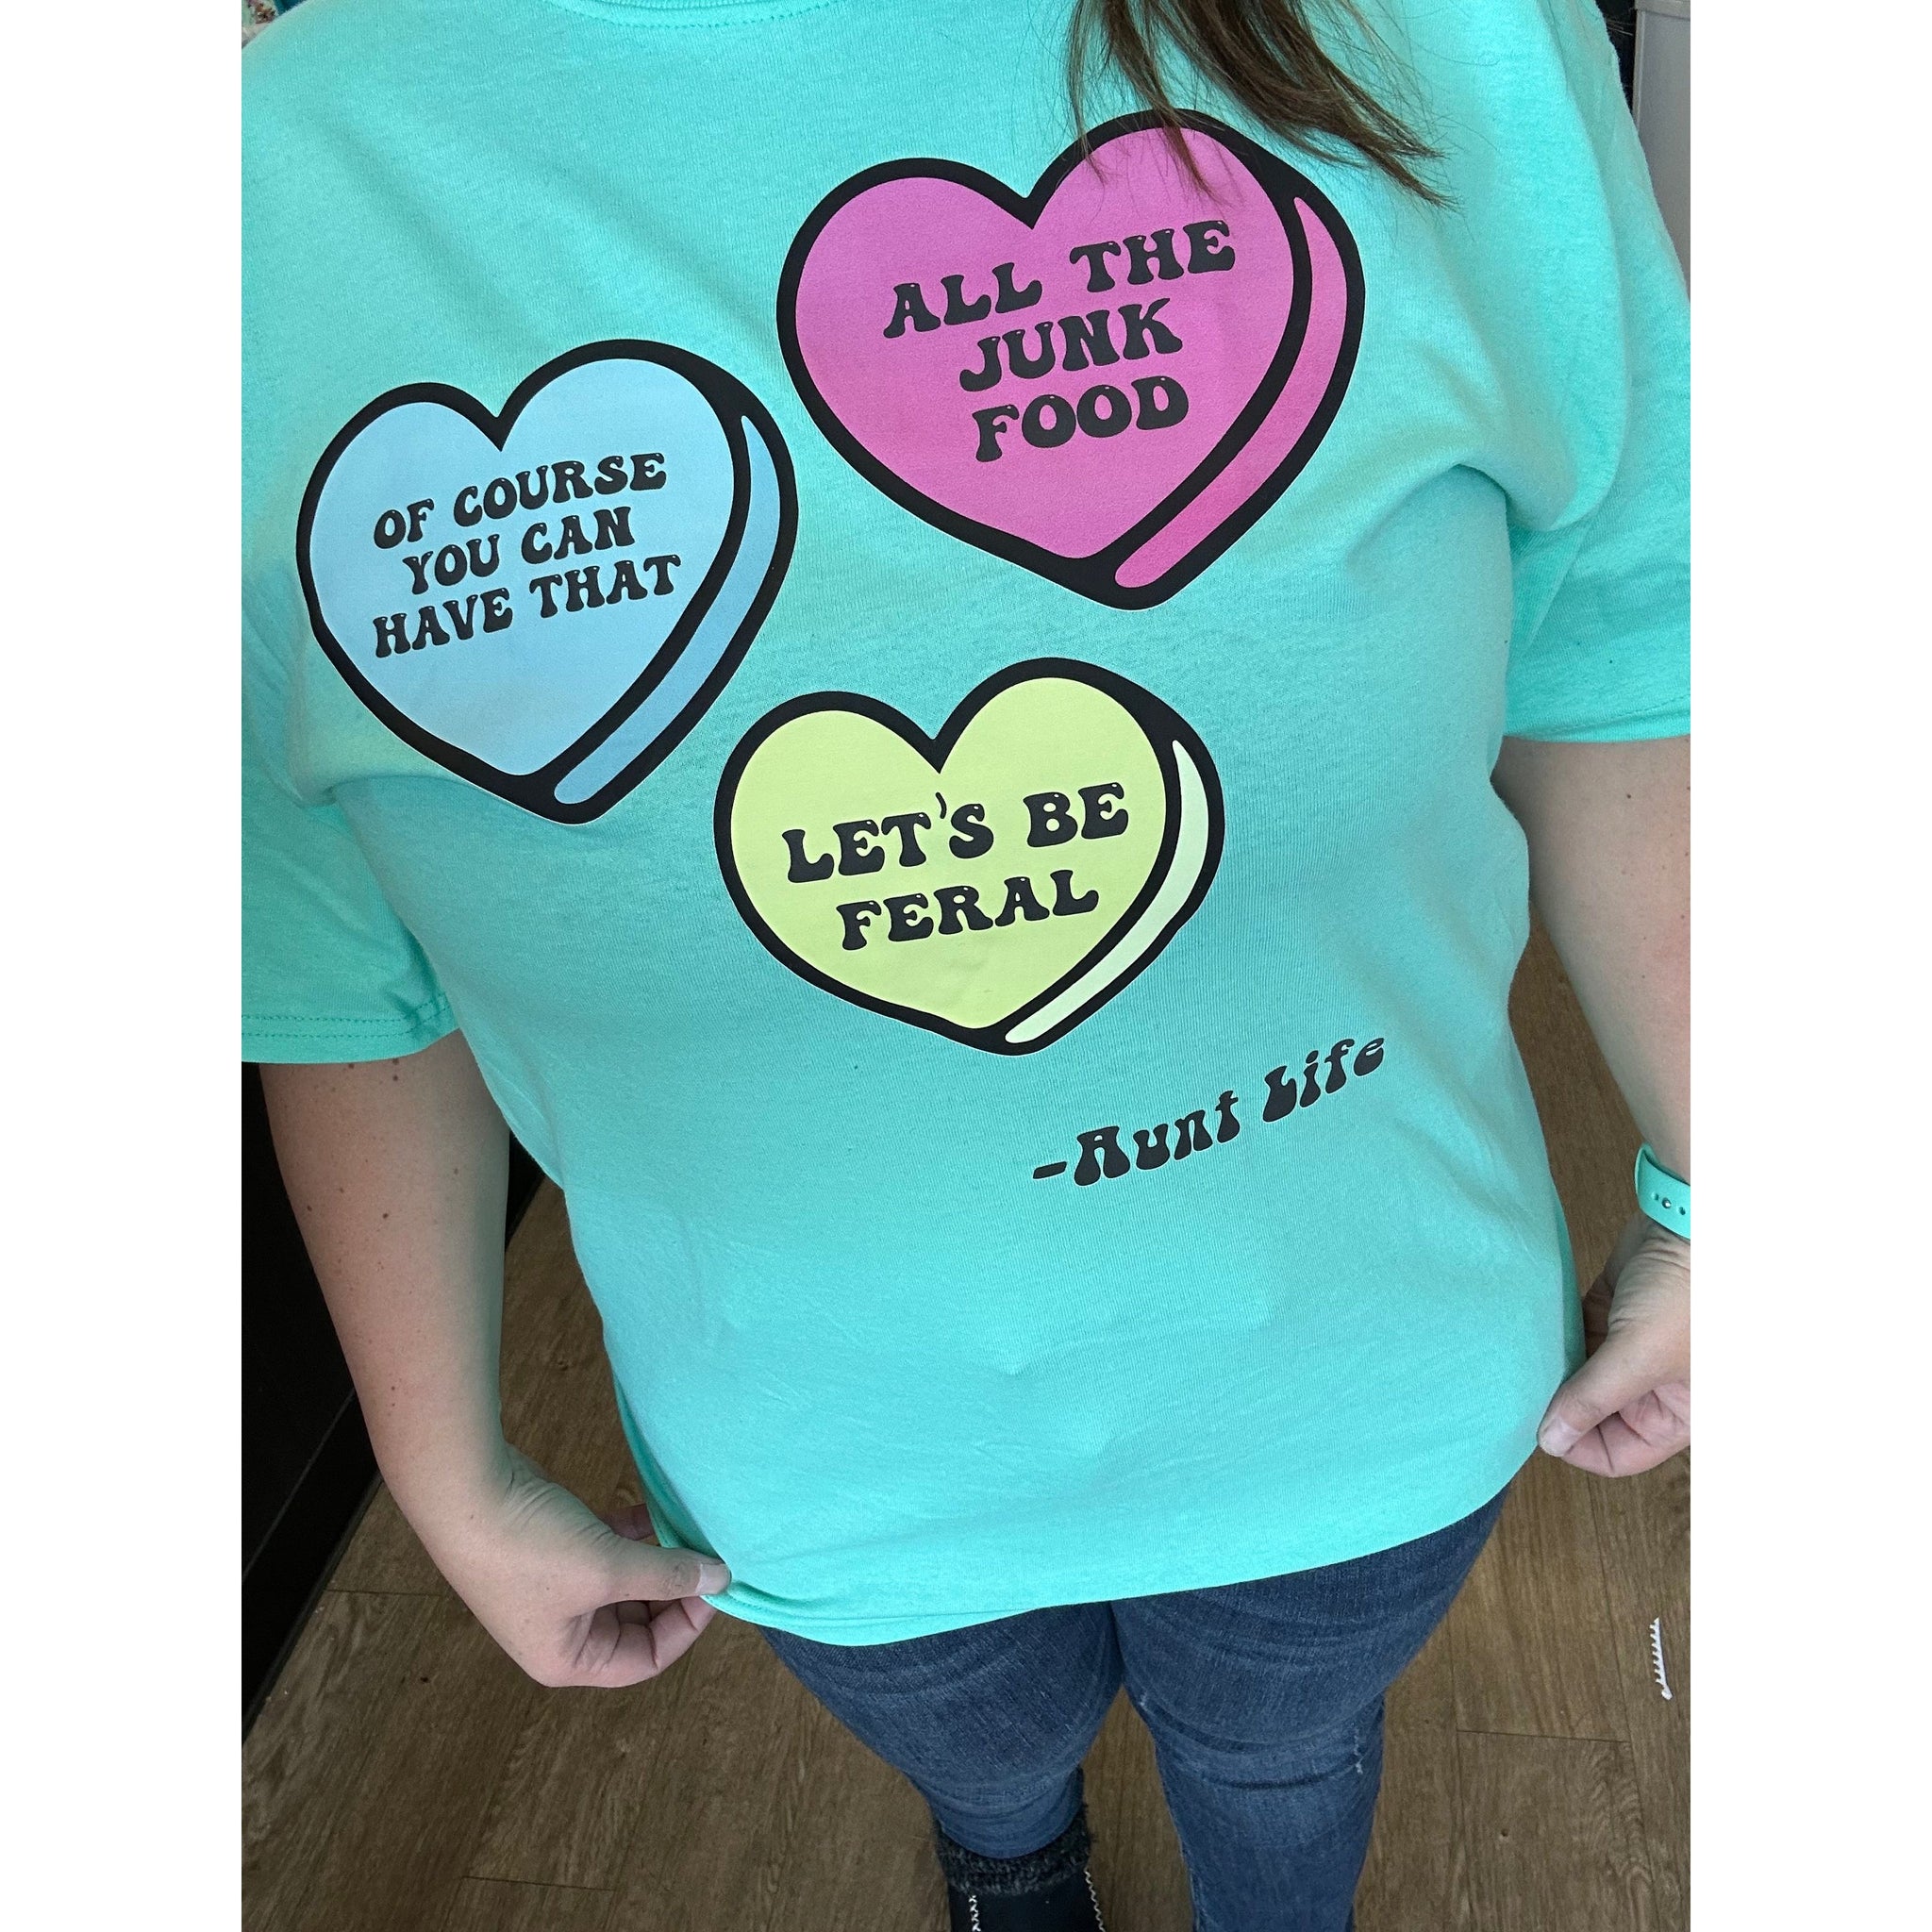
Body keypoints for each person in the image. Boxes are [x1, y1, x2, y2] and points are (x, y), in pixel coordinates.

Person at [243, 1, 1689, 1926]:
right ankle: (1015, 1868)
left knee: (1280, 1752)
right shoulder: (251, 197)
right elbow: (324, 954)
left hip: (1369, 1385)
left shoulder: (1444, 31)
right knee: (991, 1773)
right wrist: (446, 1470)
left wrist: (1721, 1179)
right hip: (818, 1465)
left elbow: (1628, 641)